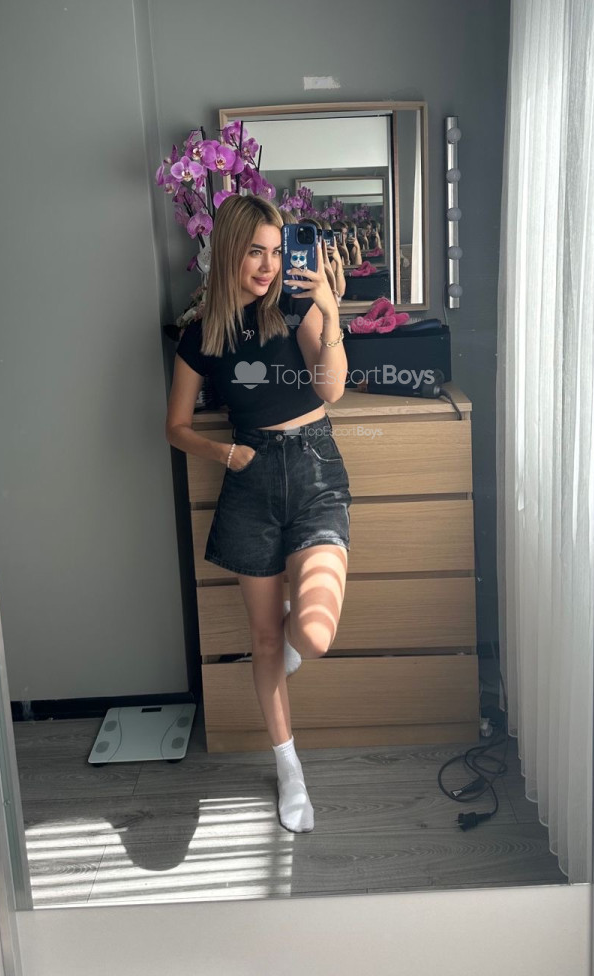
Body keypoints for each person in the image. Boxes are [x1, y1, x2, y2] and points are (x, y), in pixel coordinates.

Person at [166, 193, 350, 834]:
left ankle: (294, 637)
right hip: (250, 482)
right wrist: (224, 453)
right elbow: (175, 426)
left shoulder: (296, 307)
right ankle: (288, 769)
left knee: (312, 636)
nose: (269, 265)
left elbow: (331, 390)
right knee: (266, 637)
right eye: (255, 252)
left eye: (276, 252)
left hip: (315, 470)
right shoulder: (202, 334)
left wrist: (329, 308)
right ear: (228, 253)